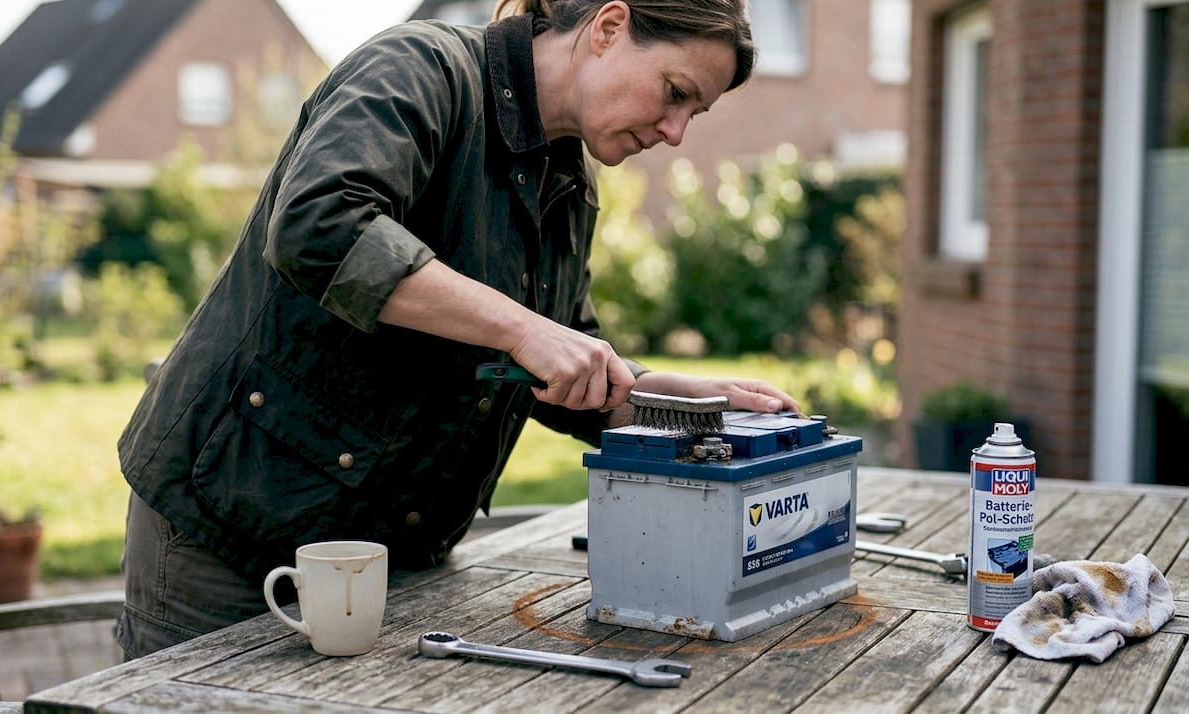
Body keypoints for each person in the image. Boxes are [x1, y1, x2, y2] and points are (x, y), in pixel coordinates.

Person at [115, 0, 802, 659]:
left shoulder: (571, 183)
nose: (675, 132)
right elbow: (317, 227)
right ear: (609, 27)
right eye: (675, 92)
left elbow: (553, 367)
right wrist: (520, 329)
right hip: (230, 531)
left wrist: (682, 403)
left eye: (695, 113)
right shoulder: (420, 68)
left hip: (394, 556)